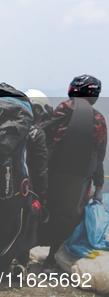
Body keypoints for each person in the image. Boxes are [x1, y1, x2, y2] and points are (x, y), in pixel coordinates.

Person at [40, 75, 106, 268]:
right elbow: (99, 158)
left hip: (51, 172)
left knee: (41, 211)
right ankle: (52, 258)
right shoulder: (100, 120)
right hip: (80, 181)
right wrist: (99, 188)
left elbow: (44, 132)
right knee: (68, 219)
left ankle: (22, 257)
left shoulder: (65, 108)